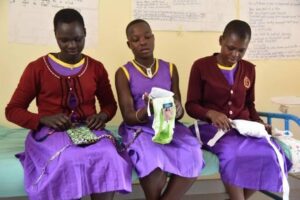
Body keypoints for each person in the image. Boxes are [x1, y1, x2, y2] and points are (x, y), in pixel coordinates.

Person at [5, 8, 131, 200]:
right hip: (51, 133)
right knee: (68, 159)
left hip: (89, 130)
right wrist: (43, 119)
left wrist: (102, 116)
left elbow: (109, 105)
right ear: (55, 36)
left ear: (85, 33)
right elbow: (12, 110)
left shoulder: (96, 67)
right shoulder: (37, 68)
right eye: (64, 40)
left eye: (78, 39)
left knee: (108, 155)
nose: (72, 45)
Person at [185, 19, 292, 200]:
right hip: (212, 129)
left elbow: (249, 104)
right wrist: (211, 114)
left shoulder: (249, 69)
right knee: (234, 155)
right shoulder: (201, 66)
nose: (235, 54)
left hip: (242, 128)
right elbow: (191, 105)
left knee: (274, 154)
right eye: (230, 47)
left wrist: (259, 123)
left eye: (241, 50)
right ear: (221, 40)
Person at [115, 19, 204, 200]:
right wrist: (147, 109)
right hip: (140, 128)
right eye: (136, 39)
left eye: (147, 37)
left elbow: (179, 112)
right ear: (129, 44)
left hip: (168, 125)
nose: (143, 42)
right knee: (153, 161)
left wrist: (177, 109)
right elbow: (128, 116)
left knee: (194, 152)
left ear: (153, 38)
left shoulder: (170, 68)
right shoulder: (123, 73)